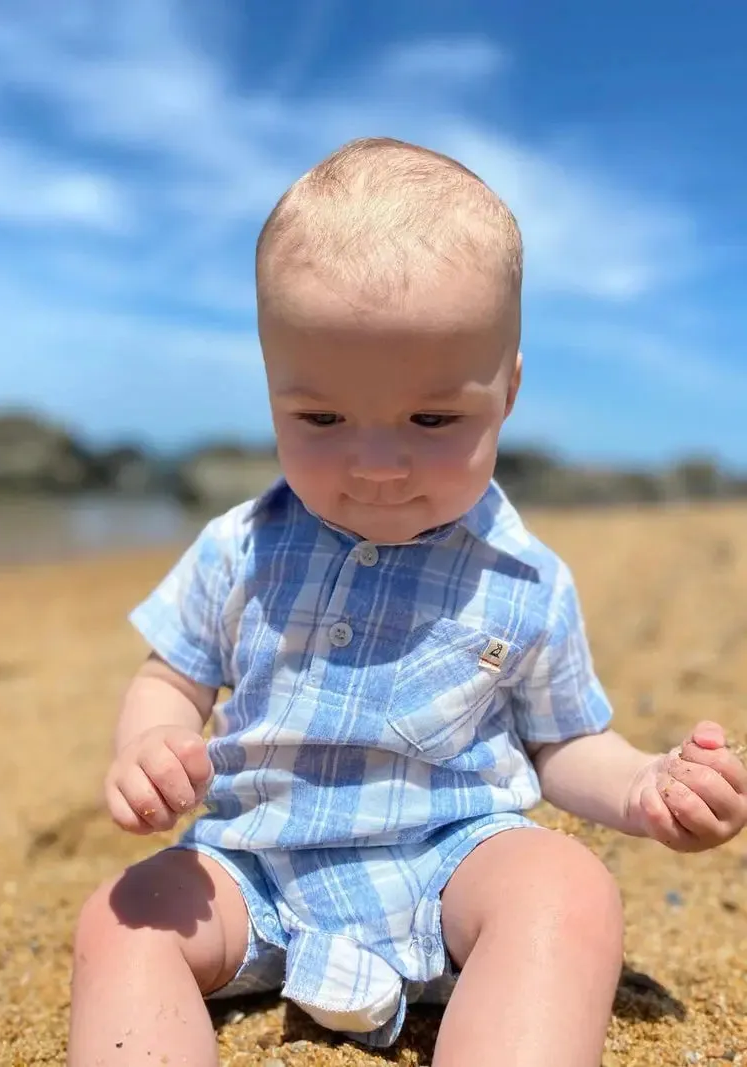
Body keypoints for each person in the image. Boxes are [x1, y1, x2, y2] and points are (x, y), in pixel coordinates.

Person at [67, 137, 747, 1067]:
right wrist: (146, 745)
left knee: (566, 888)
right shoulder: (240, 546)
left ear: (506, 392)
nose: (376, 464)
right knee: (123, 918)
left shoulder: (525, 580)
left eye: (432, 421)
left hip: (451, 860)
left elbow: (561, 743)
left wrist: (641, 786)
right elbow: (173, 676)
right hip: (255, 866)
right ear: (271, 392)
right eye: (319, 419)